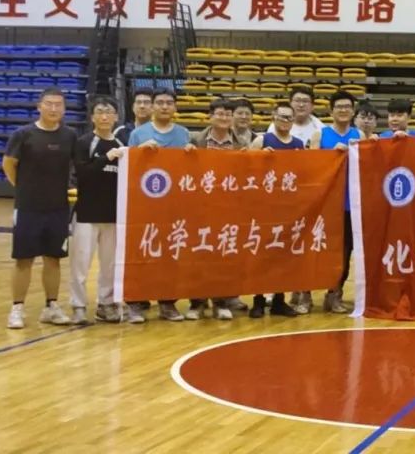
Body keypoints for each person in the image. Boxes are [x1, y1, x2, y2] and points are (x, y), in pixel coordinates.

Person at [2, 88, 78, 329]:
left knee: (53, 259)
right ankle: (17, 308)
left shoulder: (70, 135)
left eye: (58, 104)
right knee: (23, 259)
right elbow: (8, 164)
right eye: (49, 104)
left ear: (64, 109)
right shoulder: (23, 134)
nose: (54, 108)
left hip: (58, 207)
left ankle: (51, 306)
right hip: (28, 207)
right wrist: (23, 187)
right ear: (39, 106)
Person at [126, 88, 192, 322]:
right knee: (140, 253)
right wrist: (139, 153)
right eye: (160, 102)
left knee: (170, 255)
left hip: (174, 206)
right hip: (144, 205)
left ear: (175, 107)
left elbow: (190, 170)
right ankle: (135, 301)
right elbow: (129, 168)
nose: (164, 106)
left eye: (169, 103)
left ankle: (168, 303)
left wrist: (192, 154)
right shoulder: (138, 134)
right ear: (153, 107)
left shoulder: (184, 134)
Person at [185, 99, 248, 321]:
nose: (224, 118)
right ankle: (197, 302)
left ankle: (221, 302)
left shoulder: (241, 144)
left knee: (223, 256)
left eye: (228, 114)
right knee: (199, 256)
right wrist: (187, 153)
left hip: (228, 208)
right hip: (200, 207)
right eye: (220, 114)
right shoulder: (195, 140)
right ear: (210, 116)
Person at [70, 96, 127, 326]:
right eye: (100, 112)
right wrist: (106, 158)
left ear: (116, 117)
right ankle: (78, 305)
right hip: (87, 213)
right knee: (80, 263)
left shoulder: (122, 145)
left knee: (109, 264)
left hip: (113, 215)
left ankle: (106, 304)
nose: (104, 116)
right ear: (92, 117)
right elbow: (83, 174)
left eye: (109, 112)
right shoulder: (85, 142)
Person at [249, 102, 306, 318]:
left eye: (289, 118)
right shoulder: (262, 140)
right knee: (261, 256)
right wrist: (259, 157)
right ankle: (258, 300)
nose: (285, 121)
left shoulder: (298, 144)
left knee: (284, 256)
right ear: (273, 117)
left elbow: (306, 174)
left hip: (288, 208)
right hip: (263, 208)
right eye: (282, 117)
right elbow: (245, 168)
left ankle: (279, 300)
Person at [307, 91, 361, 314]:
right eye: (339, 106)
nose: (343, 110)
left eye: (347, 107)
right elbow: (311, 166)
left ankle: (334, 294)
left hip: (350, 204)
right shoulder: (320, 135)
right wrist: (332, 155)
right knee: (316, 250)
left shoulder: (359, 135)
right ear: (331, 111)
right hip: (326, 204)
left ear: (353, 111)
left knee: (345, 252)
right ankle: (304, 294)